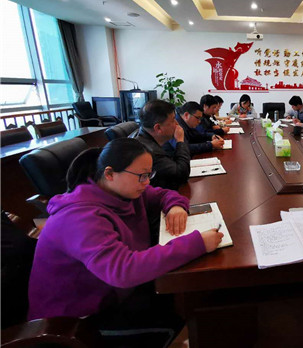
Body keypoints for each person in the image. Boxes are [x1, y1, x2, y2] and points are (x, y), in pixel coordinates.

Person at [27, 138, 223, 346]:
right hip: (76, 322)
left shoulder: (124, 190)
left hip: (112, 293)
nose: (147, 182)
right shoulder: (79, 217)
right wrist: (197, 243)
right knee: (180, 309)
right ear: (110, 173)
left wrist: (175, 206)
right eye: (142, 176)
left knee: (185, 293)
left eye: (149, 175)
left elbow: (162, 194)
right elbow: (123, 270)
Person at [132, 100, 190, 191]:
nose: (177, 124)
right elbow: (182, 175)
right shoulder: (150, 152)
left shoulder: (143, 134)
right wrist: (180, 141)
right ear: (158, 128)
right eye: (173, 120)